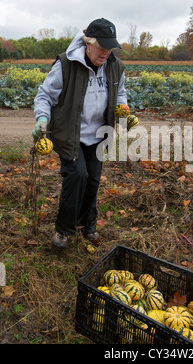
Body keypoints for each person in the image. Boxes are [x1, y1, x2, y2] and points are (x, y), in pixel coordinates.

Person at [32, 18, 128, 249]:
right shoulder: (66, 65)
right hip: (70, 135)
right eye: (102, 46)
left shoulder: (115, 67)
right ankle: (63, 231)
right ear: (88, 43)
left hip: (98, 135)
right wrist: (42, 119)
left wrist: (123, 110)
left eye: (110, 47)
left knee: (93, 180)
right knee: (78, 177)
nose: (106, 52)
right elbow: (44, 95)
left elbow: (121, 93)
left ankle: (88, 225)